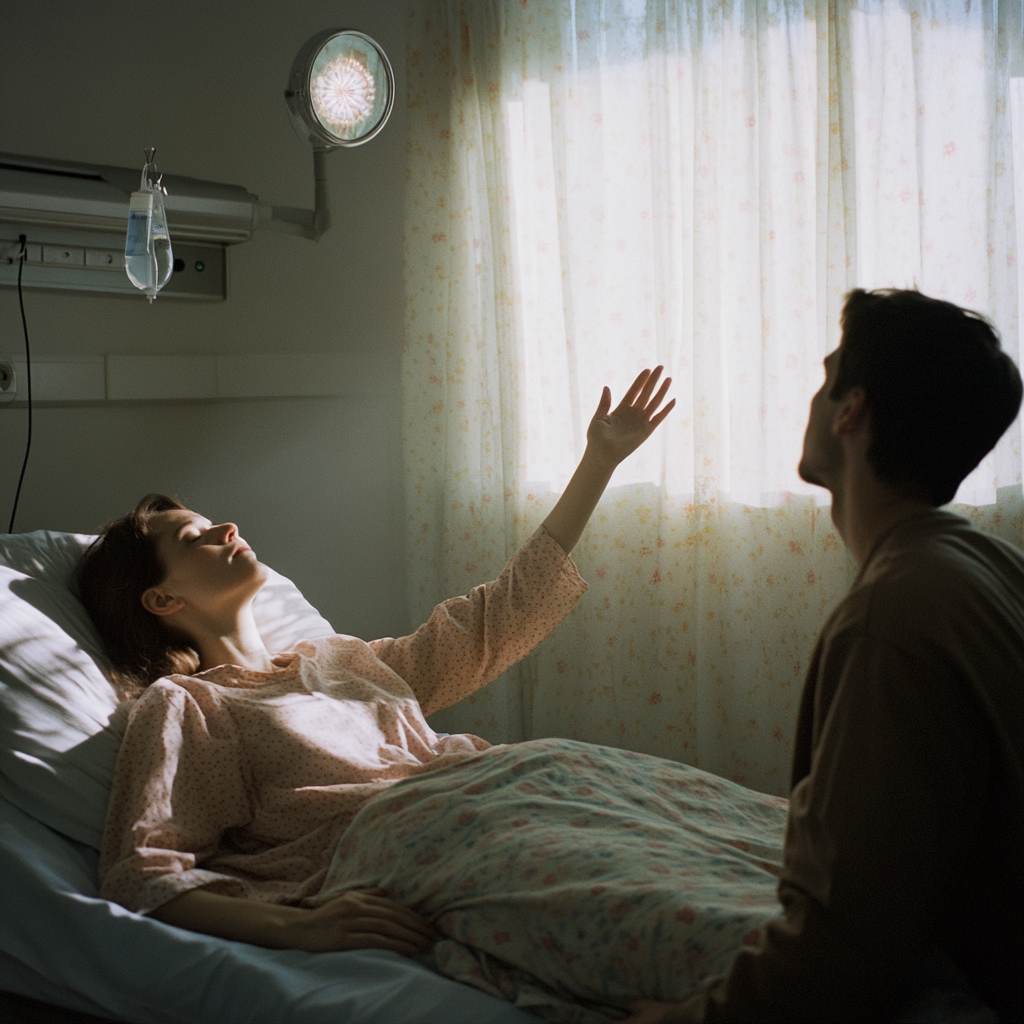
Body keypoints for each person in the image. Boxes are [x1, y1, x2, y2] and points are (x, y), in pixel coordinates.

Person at [78, 368, 676, 971]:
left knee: (702, 852)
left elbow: (496, 621)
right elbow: (143, 874)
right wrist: (298, 927)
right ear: (161, 600)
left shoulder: (343, 661)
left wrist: (598, 463)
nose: (225, 528)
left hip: (506, 796)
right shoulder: (191, 705)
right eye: (194, 537)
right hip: (431, 842)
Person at [627, 289, 1024, 1024]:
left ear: (851, 412)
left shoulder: (893, 617)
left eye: (826, 378)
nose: (811, 399)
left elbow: (842, 951)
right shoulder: (988, 563)